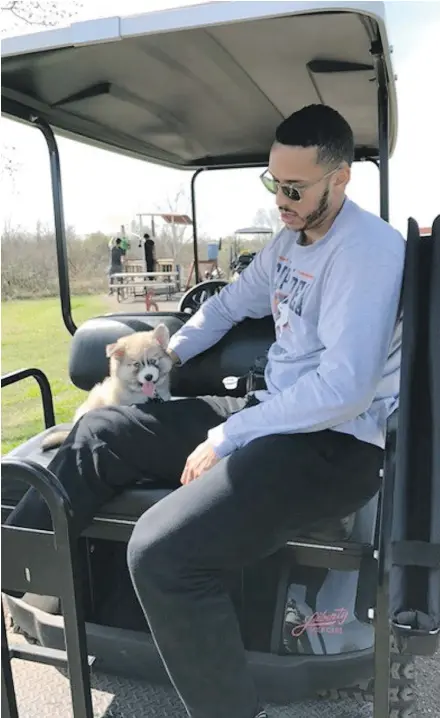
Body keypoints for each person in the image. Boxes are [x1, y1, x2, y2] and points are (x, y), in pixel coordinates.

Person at [6, 104, 405, 718]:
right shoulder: (288, 242)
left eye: (295, 188)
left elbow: (345, 390)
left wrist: (230, 433)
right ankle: (12, 570)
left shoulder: (367, 252)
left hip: (336, 443)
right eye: (274, 183)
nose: (282, 200)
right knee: (99, 430)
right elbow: (225, 306)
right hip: (274, 411)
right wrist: (170, 350)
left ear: (340, 178)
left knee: (162, 555)